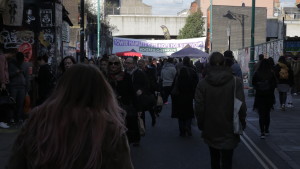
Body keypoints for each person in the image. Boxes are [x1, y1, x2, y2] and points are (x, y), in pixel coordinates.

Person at [6, 64, 134, 169]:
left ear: (62, 88)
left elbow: (16, 163)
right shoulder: (109, 128)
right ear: (103, 92)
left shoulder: (39, 120)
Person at [194, 52, 247, 169]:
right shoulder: (235, 81)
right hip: (229, 126)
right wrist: (242, 121)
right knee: (227, 160)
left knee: (214, 159)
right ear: (224, 63)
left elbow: (199, 107)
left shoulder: (202, 84)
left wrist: (201, 123)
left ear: (209, 64)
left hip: (210, 126)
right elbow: (241, 105)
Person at [107, 55, 141, 146]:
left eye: (116, 63)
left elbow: (132, 93)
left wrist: (138, 108)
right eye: (111, 63)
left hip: (124, 108)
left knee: (124, 132)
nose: (113, 65)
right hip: (108, 108)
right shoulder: (105, 76)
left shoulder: (126, 76)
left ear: (119, 64)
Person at [171, 56, 198, 137]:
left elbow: (174, 84)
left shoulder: (179, 72)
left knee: (180, 114)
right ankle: (188, 127)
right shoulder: (193, 71)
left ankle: (182, 130)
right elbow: (196, 83)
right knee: (189, 112)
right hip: (189, 95)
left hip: (179, 95)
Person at [252, 59, 277, 139]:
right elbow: (274, 85)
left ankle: (262, 132)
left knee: (261, 115)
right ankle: (266, 130)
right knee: (267, 114)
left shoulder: (257, 73)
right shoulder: (271, 73)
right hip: (269, 96)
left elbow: (253, 83)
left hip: (260, 96)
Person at [8, 52, 28, 124]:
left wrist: (26, 86)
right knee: (12, 103)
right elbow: (8, 75)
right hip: (13, 86)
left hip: (22, 86)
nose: (21, 61)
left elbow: (26, 76)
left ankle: (19, 117)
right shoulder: (11, 64)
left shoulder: (24, 64)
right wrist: (16, 72)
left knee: (21, 103)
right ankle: (11, 118)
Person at [0, 51, 11, 128]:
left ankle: (2, 121)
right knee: (3, 103)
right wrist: (3, 82)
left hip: (2, 82)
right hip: (2, 83)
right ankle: (2, 121)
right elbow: (1, 71)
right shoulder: (2, 57)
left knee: (3, 102)